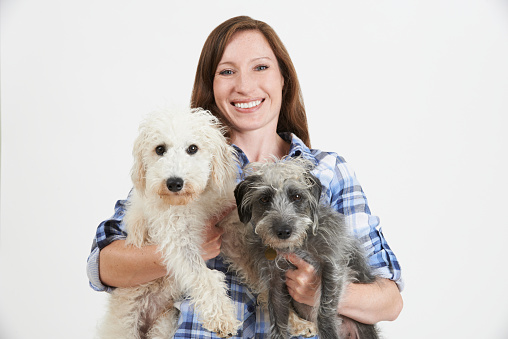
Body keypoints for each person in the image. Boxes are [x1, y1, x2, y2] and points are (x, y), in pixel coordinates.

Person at [87, 15, 403, 338]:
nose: (245, 85)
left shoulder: (329, 171)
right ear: (211, 84)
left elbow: (390, 300)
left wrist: (321, 291)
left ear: (284, 78)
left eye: (261, 67)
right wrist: (183, 250)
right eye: (227, 71)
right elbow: (101, 266)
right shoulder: (184, 161)